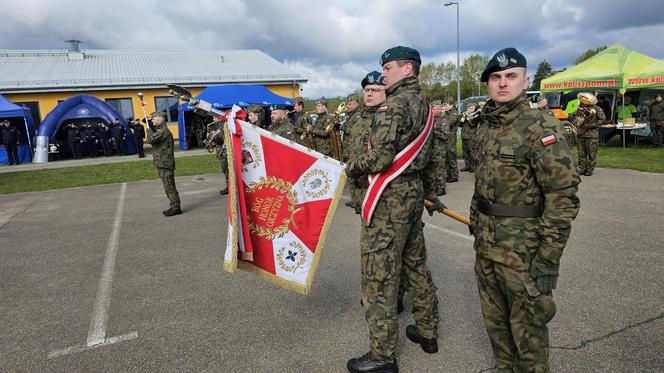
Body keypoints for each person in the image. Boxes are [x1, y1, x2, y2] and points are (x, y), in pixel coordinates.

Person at [470, 47, 580, 372]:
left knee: (529, 338)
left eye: (511, 76)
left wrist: (548, 259)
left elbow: (562, 197)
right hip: (488, 249)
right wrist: (476, 221)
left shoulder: (540, 127)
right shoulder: (487, 126)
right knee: (497, 331)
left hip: (523, 255)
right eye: (496, 77)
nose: (503, 83)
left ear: (525, 80)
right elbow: (483, 184)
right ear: (488, 84)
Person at [346, 46, 443, 373]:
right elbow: (428, 158)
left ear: (406, 69)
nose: (383, 74)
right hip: (412, 194)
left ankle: (382, 356)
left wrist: (350, 166)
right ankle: (428, 331)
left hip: (389, 197)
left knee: (379, 277)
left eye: (387, 68)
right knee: (415, 264)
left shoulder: (393, 106)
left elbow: (379, 159)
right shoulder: (425, 105)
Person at [346, 71, 386, 212]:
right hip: (360, 184)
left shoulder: (388, 117)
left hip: (379, 188)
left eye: (375, 90)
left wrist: (351, 168)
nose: (369, 94)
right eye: (367, 90)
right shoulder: (360, 118)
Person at [148, 112, 182, 216]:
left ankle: (175, 207)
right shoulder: (161, 130)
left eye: (153, 119)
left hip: (165, 163)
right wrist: (152, 129)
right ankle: (174, 205)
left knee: (169, 185)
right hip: (162, 162)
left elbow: (150, 139)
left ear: (159, 120)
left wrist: (148, 129)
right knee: (167, 185)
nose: (152, 121)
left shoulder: (164, 131)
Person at [571, 92, 605, 176]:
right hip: (581, 134)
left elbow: (602, 119)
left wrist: (591, 125)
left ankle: (590, 169)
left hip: (592, 135)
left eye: (584, 99)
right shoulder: (580, 108)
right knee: (581, 153)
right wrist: (574, 114)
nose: (582, 101)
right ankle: (582, 168)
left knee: (591, 153)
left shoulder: (597, 109)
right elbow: (574, 118)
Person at [206, 115, 229, 195]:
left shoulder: (223, 127)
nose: (213, 119)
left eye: (215, 118)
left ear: (219, 118)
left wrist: (214, 137)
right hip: (220, 153)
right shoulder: (214, 127)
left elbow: (223, 140)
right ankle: (228, 186)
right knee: (225, 170)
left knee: (227, 171)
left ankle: (230, 187)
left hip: (225, 152)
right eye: (213, 118)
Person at [430, 100, 449, 195]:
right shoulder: (431, 120)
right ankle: (435, 186)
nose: (431, 111)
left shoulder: (443, 121)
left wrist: (434, 132)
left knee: (440, 169)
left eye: (433, 109)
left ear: (438, 109)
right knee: (433, 169)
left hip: (440, 149)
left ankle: (441, 187)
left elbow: (445, 135)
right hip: (432, 149)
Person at [442, 97, 459, 183]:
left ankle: (454, 175)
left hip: (451, 139)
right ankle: (449, 174)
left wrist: (443, 118)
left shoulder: (454, 114)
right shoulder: (446, 114)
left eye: (446, 105)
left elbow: (447, 123)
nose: (445, 106)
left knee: (451, 156)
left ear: (451, 105)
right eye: (444, 104)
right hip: (446, 138)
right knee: (446, 157)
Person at [460, 103, 478, 172]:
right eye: (468, 108)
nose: (470, 110)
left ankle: (473, 167)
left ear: (474, 109)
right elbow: (460, 124)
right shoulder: (464, 115)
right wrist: (463, 118)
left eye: (471, 108)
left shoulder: (476, 115)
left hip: (471, 137)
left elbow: (472, 124)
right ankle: (467, 166)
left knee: (472, 153)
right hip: (464, 136)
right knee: (465, 153)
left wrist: (467, 117)